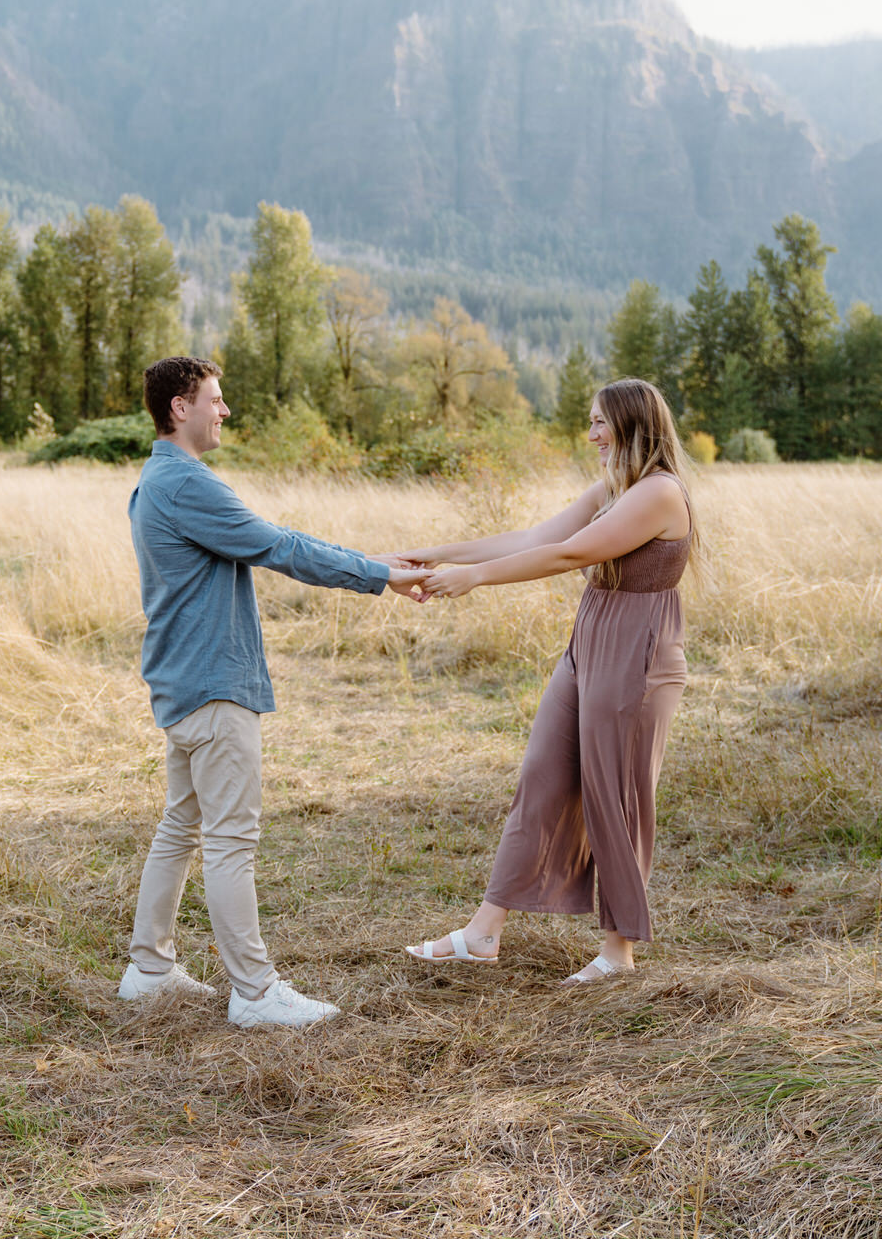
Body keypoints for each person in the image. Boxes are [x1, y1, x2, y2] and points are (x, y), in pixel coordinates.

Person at [119, 356, 428, 1027]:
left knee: (182, 826)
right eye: (215, 399)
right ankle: (255, 993)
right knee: (230, 839)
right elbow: (278, 546)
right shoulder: (186, 484)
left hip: (185, 683)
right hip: (212, 686)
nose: (224, 411)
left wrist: (377, 567)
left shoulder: (158, 481)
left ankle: (149, 969)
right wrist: (377, 573)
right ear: (181, 407)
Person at [404, 378, 699, 984]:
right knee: (542, 773)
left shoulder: (659, 493)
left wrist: (478, 578)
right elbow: (538, 537)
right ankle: (483, 934)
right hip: (590, 642)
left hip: (637, 652)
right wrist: (431, 556)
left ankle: (618, 955)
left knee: (613, 795)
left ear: (632, 424)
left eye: (599, 423)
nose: (590, 435)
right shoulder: (614, 487)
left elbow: (570, 555)